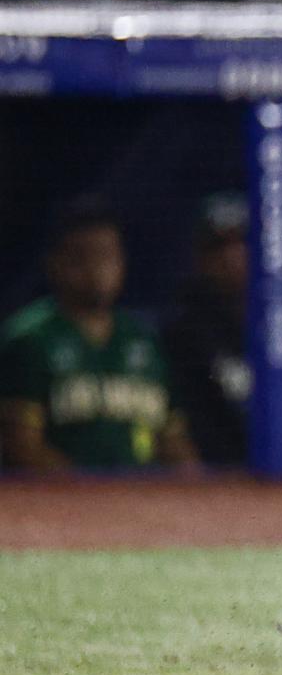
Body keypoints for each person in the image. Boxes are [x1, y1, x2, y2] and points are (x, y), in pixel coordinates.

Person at [0, 199, 198, 472]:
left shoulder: (143, 339)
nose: (97, 269)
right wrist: (88, 494)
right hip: (58, 503)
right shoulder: (29, 339)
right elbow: (20, 446)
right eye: (81, 257)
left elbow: (173, 441)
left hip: (139, 500)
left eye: (107, 255)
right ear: (54, 263)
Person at [161, 193, 251, 466]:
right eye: (218, 246)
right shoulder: (182, 334)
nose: (230, 256)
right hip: (213, 486)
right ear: (199, 257)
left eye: (241, 242)